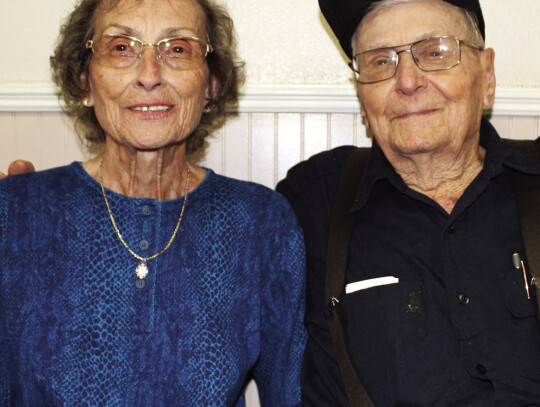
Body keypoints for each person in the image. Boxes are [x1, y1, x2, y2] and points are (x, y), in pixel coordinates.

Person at [0, 0, 306, 405]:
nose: (149, 75)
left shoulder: (260, 222)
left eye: (178, 48)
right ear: (84, 80)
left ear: (211, 84)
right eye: (122, 47)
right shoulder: (15, 213)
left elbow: (290, 394)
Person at [276, 0, 540, 406]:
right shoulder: (315, 201)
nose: (408, 81)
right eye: (380, 62)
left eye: (435, 53)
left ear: (486, 75)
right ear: (362, 95)